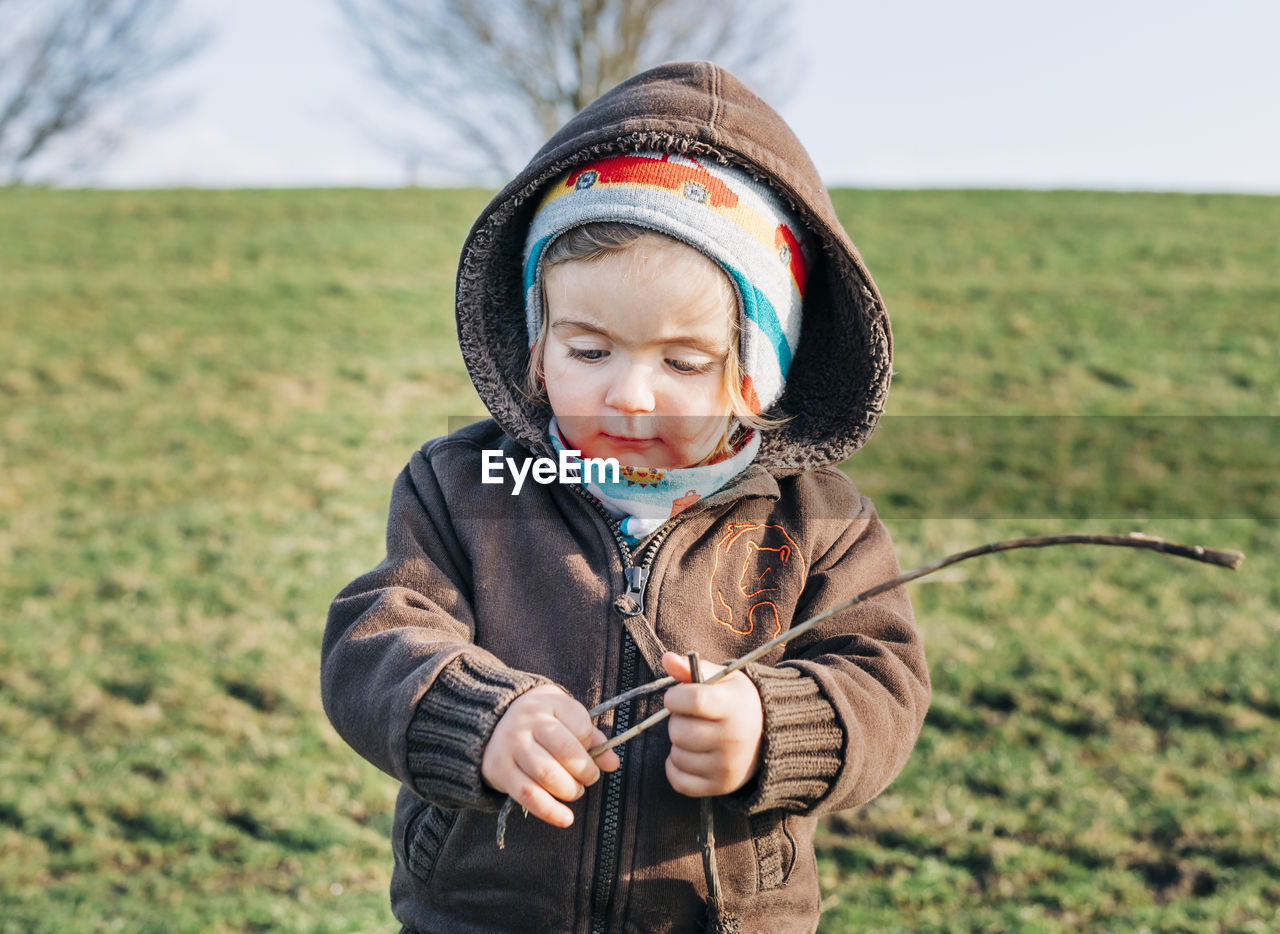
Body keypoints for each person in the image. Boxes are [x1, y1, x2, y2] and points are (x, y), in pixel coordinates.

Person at [322, 61, 930, 934]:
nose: (630, 396)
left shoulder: (815, 520)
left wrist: (770, 726)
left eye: (683, 363)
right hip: (483, 914)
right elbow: (375, 638)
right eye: (588, 350)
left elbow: (883, 682)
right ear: (536, 346)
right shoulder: (463, 487)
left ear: (758, 374)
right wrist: (478, 715)